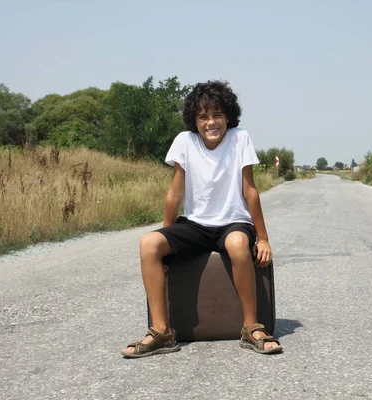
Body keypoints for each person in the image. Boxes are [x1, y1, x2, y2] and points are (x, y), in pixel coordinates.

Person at [121, 80, 283, 358]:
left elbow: (249, 190)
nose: (211, 122)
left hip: (234, 221)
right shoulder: (184, 141)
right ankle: (161, 332)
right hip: (195, 224)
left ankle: (251, 327)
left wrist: (264, 237)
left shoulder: (240, 138)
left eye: (217, 114)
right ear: (194, 120)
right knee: (149, 244)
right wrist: (167, 241)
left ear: (228, 116)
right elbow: (175, 194)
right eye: (203, 116)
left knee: (236, 244)